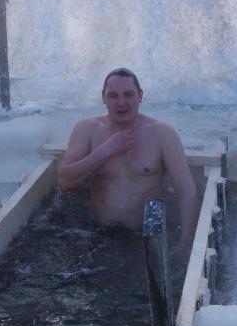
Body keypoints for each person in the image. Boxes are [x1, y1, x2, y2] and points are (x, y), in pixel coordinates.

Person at [58, 68, 197, 238]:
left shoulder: (162, 134)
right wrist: (106, 150)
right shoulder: (87, 129)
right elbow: (64, 181)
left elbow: (187, 192)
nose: (121, 103)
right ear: (103, 97)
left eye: (128, 95)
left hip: (144, 237)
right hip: (97, 234)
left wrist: (186, 241)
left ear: (140, 95)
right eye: (113, 95)